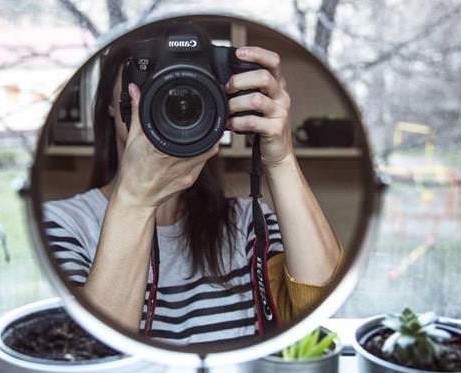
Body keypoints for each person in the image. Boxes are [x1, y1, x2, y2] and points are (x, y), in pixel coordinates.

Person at [43, 43, 343, 346]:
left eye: (190, 76)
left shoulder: (247, 222)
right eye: (149, 69)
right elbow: (87, 357)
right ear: (111, 100)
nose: (173, 87)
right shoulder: (64, 223)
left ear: (222, 94)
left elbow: (318, 317)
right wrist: (135, 200)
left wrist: (281, 159)